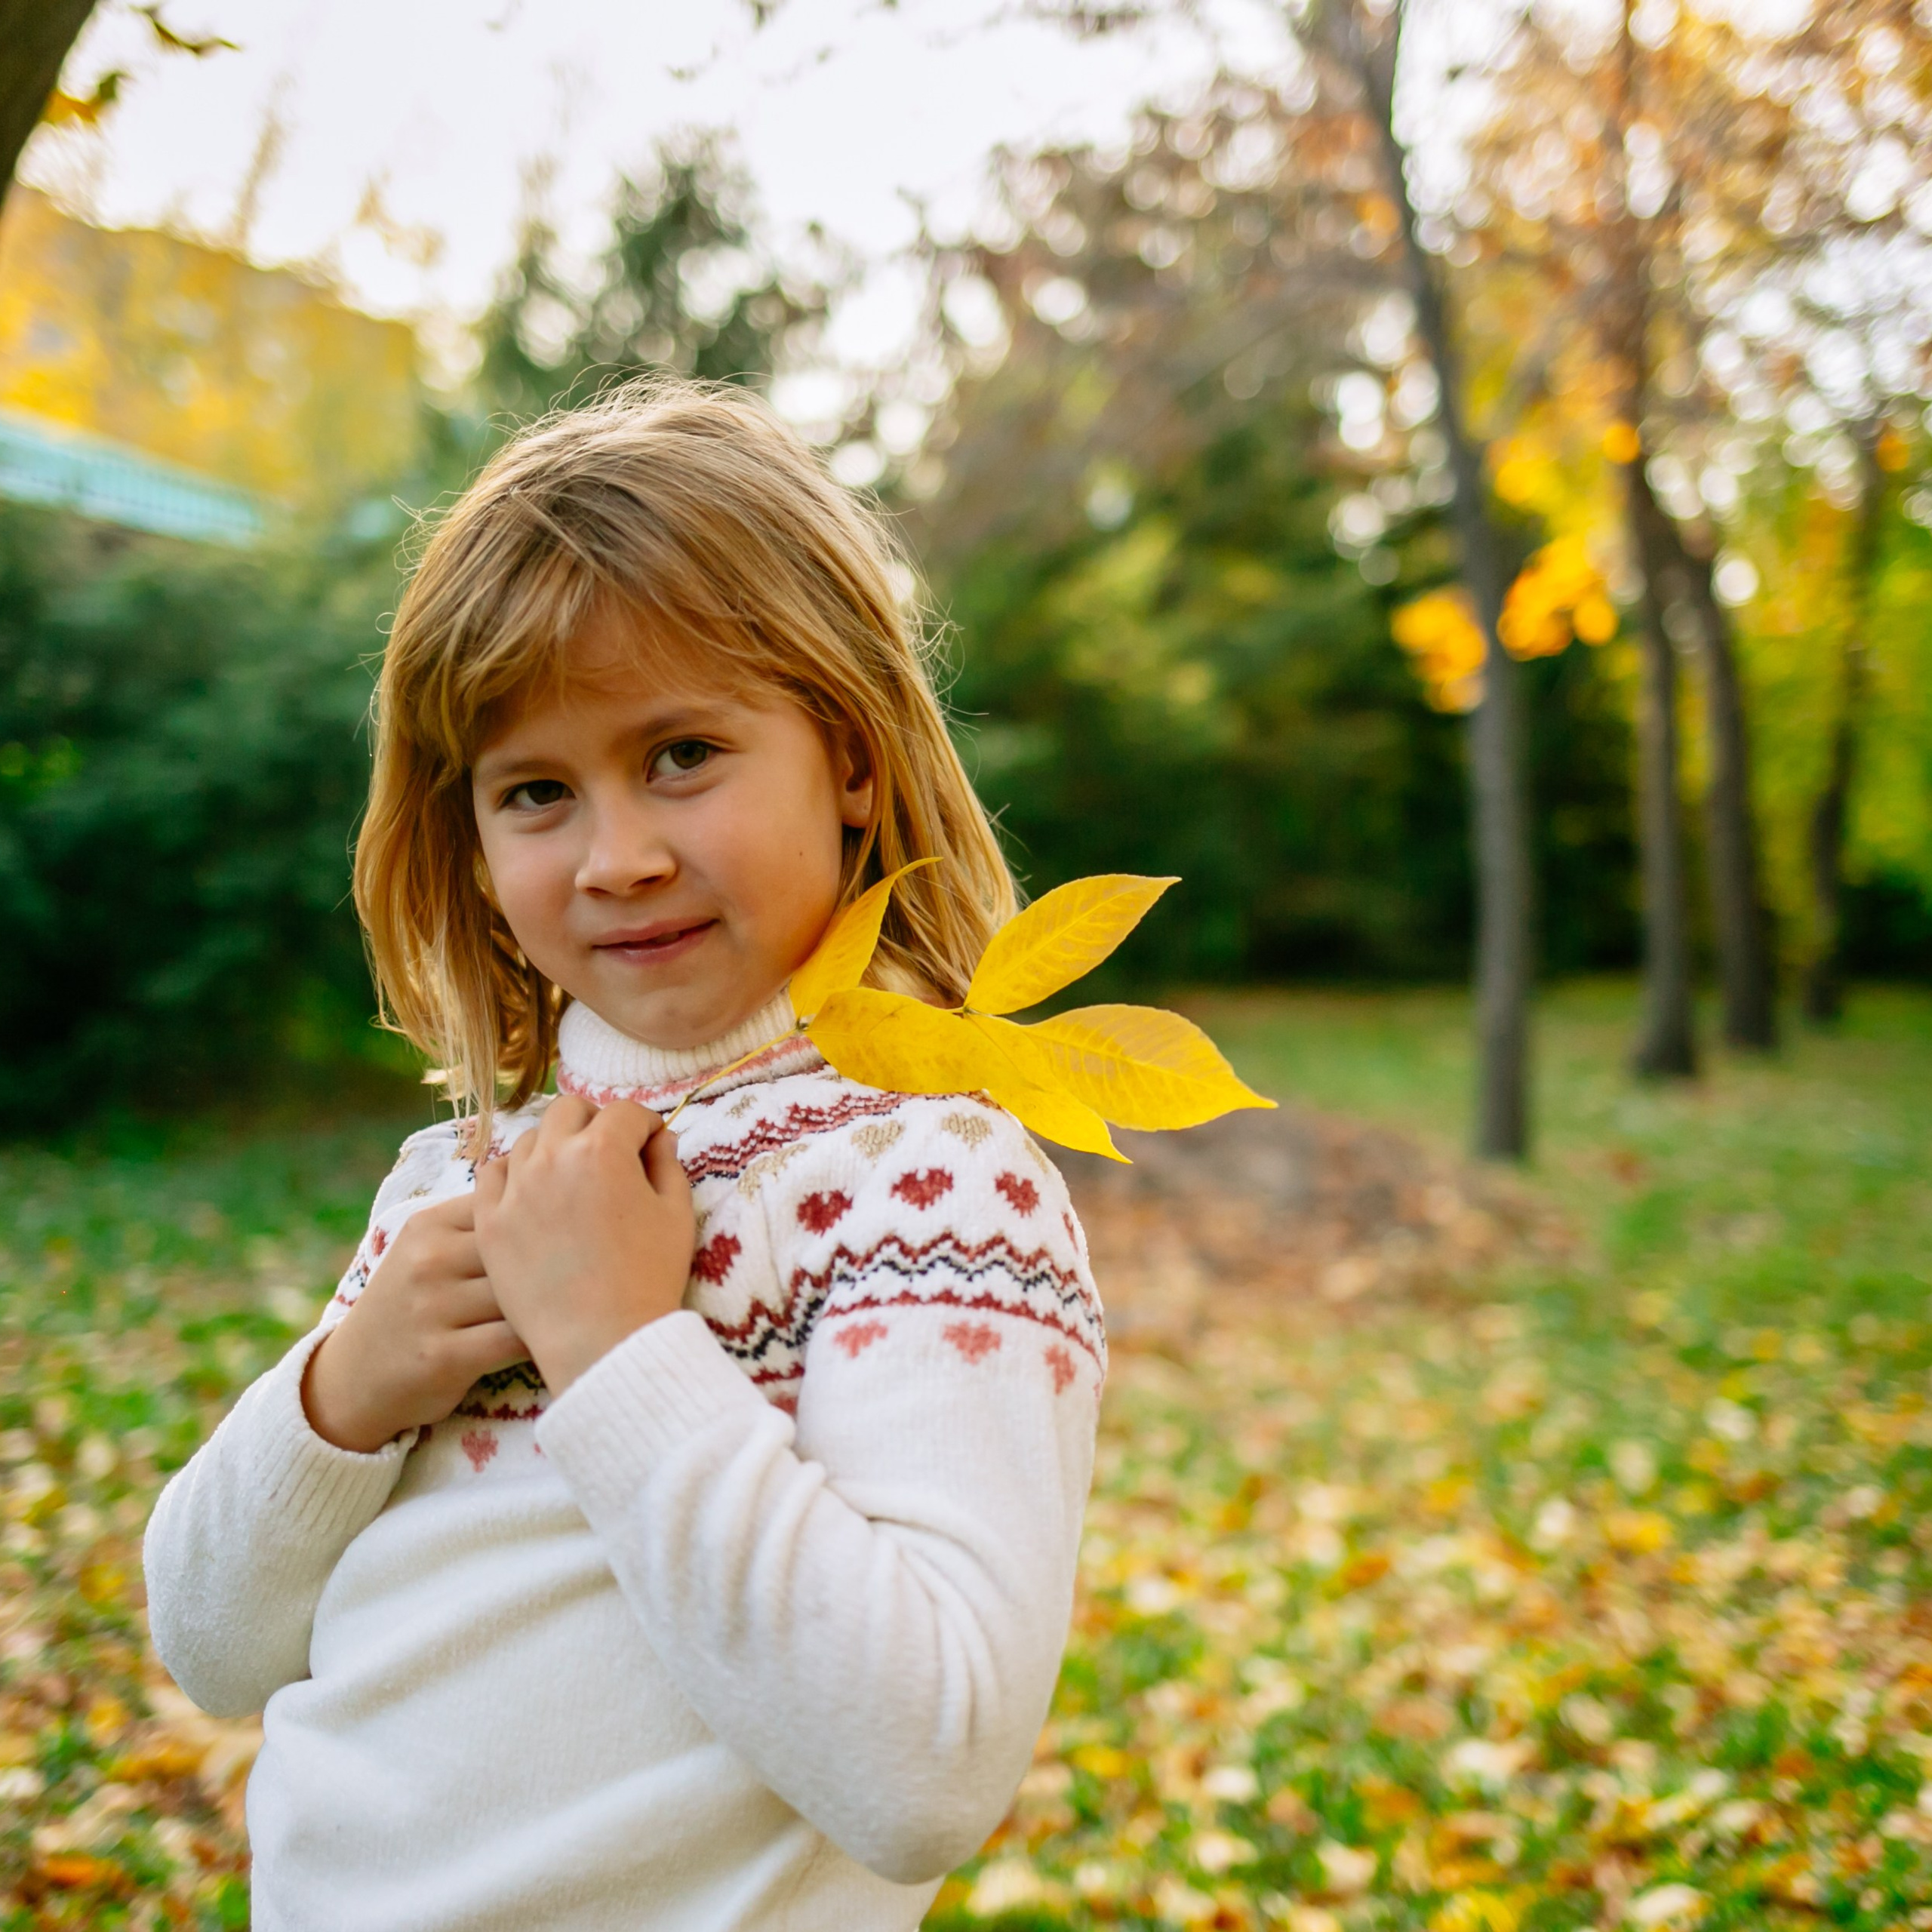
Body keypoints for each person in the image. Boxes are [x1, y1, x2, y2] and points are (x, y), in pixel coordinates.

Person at [142, 380, 1106, 1932]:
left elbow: (924, 1768)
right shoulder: (453, 1174)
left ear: (850, 758)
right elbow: (211, 1641)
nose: (617, 853)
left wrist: (619, 1346)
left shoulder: (922, 1179)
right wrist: (346, 1386)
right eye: (538, 790)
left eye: (680, 754)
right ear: (467, 837)